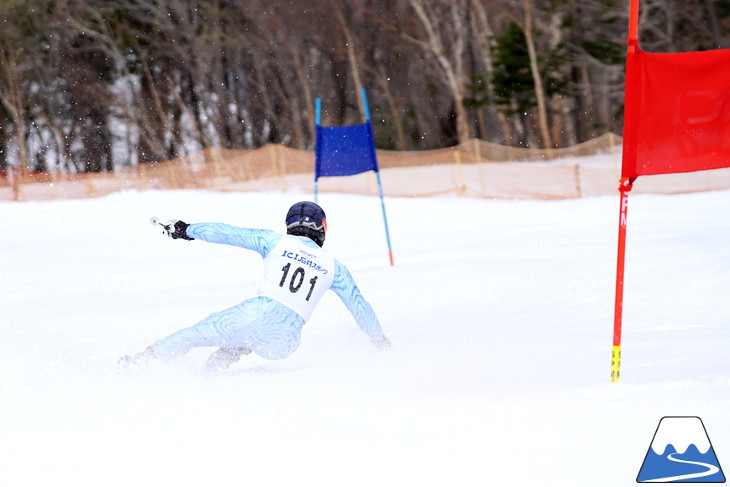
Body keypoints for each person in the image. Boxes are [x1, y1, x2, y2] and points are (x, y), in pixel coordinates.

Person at [119, 201, 390, 372]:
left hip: (255, 316)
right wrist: (380, 342)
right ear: (323, 228)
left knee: (197, 333)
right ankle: (216, 373)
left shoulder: (273, 241)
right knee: (243, 342)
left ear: (289, 226)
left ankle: (142, 362)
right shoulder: (335, 268)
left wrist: (186, 230)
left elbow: (227, 232)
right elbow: (360, 307)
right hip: (285, 342)